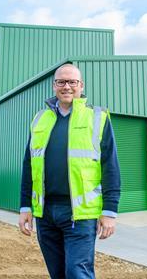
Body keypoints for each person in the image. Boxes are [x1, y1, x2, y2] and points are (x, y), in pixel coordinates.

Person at [18, 62, 121, 279]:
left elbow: (110, 167)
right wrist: (25, 206)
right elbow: (29, 165)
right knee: (57, 273)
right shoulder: (40, 119)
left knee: (76, 272)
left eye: (72, 82)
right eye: (61, 82)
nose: (67, 86)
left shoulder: (98, 117)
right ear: (54, 85)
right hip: (45, 213)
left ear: (81, 85)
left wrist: (109, 211)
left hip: (80, 214)